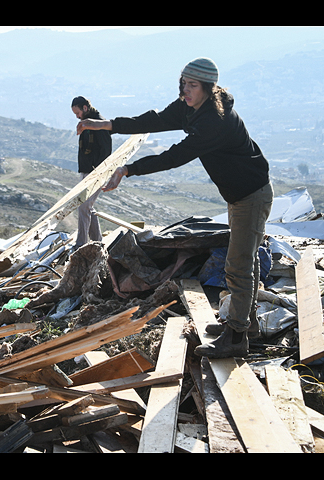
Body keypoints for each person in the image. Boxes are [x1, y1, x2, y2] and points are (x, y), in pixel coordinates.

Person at [77, 57, 273, 359]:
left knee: (238, 264)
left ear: (208, 88)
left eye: (192, 85)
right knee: (245, 259)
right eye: (183, 83)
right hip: (239, 196)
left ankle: (236, 336)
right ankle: (247, 323)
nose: (185, 90)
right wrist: (108, 125)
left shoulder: (214, 121)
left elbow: (175, 156)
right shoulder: (189, 107)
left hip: (252, 195)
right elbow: (154, 120)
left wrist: (130, 169)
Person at [71, 96, 112, 249]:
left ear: (85, 108)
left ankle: (81, 244)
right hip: (87, 171)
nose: (77, 117)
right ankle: (98, 243)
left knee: (84, 206)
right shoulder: (86, 124)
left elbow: (106, 151)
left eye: (78, 113)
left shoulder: (99, 123)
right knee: (88, 207)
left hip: (97, 172)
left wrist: (100, 172)